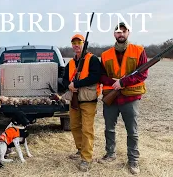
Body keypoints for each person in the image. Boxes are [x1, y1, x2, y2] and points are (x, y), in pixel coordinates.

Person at [98, 22, 148, 175]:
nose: (121, 34)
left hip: (130, 98)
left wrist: (123, 82)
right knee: (109, 128)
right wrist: (113, 83)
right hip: (111, 98)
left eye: (124, 31)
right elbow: (100, 75)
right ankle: (110, 154)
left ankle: (133, 160)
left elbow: (143, 74)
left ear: (128, 33)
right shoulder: (105, 54)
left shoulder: (139, 50)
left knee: (132, 130)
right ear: (114, 34)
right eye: (118, 32)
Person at [51, 34, 101, 172]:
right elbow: (65, 79)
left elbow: (95, 76)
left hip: (88, 100)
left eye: (79, 42)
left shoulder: (93, 59)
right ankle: (80, 150)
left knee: (87, 129)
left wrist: (77, 83)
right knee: (74, 126)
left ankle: (86, 158)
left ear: (84, 44)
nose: (76, 45)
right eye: (74, 43)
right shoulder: (71, 63)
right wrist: (70, 85)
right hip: (74, 99)